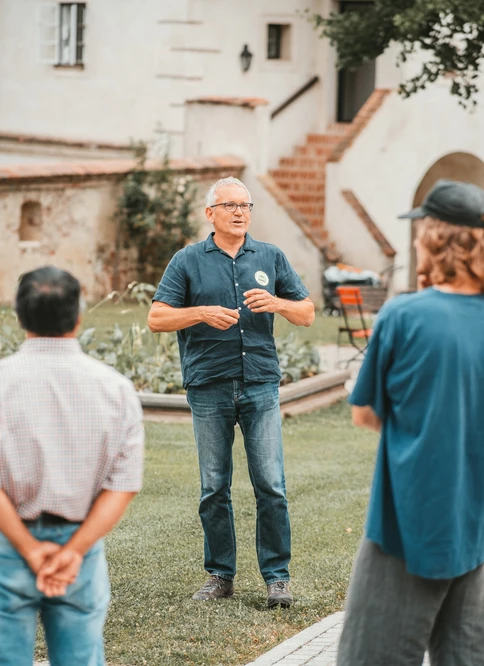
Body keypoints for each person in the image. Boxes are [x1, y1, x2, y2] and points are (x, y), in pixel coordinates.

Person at [148, 176, 314, 607]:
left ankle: (277, 579)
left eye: (246, 205)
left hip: (260, 384)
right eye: (230, 206)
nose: (239, 212)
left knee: (271, 485)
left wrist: (278, 304)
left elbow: (308, 312)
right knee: (213, 487)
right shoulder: (186, 260)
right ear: (210, 214)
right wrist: (200, 313)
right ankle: (220, 576)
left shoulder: (271, 256)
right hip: (209, 386)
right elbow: (157, 317)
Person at [337, 179, 484, 666]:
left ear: (437, 238)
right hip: (476, 530)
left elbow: (365, 413)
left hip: (408, 525)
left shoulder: (404, 315)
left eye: (421, 231)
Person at [0, 266, 144, 666]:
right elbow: (122, 485)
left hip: (4, 545)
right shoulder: (117, 389)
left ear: (20, 317)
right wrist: (73, 552)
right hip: (81, 545)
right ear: (78, 316)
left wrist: (29, 549)